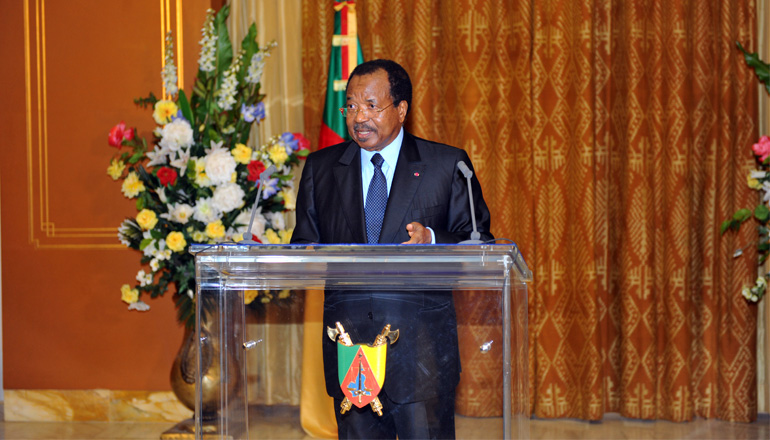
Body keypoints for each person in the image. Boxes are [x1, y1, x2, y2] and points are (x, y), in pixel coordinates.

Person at [291, 59, 493, 439]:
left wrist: (432, 239)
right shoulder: (321, 168)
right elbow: (304, 246)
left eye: (371, 105)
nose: (358, 117)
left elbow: (478, 240)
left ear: (401, 109)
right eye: (350, 105)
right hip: (350, 347)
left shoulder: (446, 165)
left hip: (422, 350)